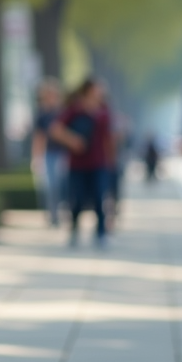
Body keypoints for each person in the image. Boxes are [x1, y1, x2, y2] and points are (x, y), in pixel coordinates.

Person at [50, 79, 115, 247]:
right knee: (76, 199)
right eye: (96, 90)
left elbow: (109, 138)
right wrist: (73, 140)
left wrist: (111, 161)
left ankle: (101, 234)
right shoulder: (74, 110)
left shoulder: (103, 112)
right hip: (77, 164)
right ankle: (74, 230)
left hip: (99, 163)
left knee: (100, 198)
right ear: (88, 92)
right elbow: (55, 130)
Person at [30, 78, 69, 226]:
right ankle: (53, 214)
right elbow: (38, 137)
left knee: (62, 184)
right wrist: (36, 157)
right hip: (49, 154)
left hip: (63, 153)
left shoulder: (63, 113)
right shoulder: (42, 114)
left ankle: (62, 211)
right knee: (50, 185)